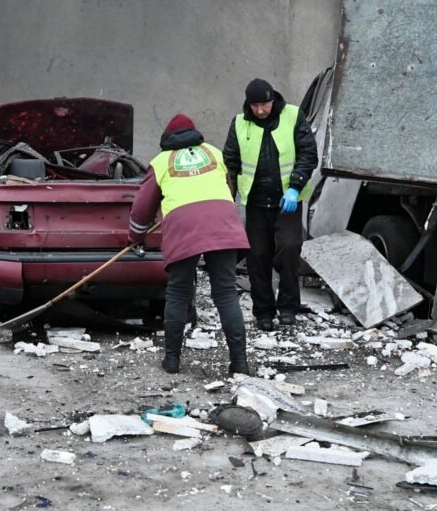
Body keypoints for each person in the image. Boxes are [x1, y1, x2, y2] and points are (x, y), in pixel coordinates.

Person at [128, 114, 250, 375]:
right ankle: (240, 364)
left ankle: (172, 361)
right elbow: (229, 189)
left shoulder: (161, 162)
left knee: (178, 293)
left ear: (166, 139)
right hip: (222, 223)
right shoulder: (213, 152)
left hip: (184, 227)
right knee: (226, 293)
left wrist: (135, 237)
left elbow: (141, 208)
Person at [223, 79, 318, 331]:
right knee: (258, 256)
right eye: (255, 106)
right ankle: (263, 311)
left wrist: (295, 187)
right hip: (255, 202)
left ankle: (288, 308)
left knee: (289, 250)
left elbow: (308, 154)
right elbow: (230, 162)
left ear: (273, 100)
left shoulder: (293, 115)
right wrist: (227, 198)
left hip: (287, 201)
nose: (260, 111)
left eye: (264, 104)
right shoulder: (240, 123)